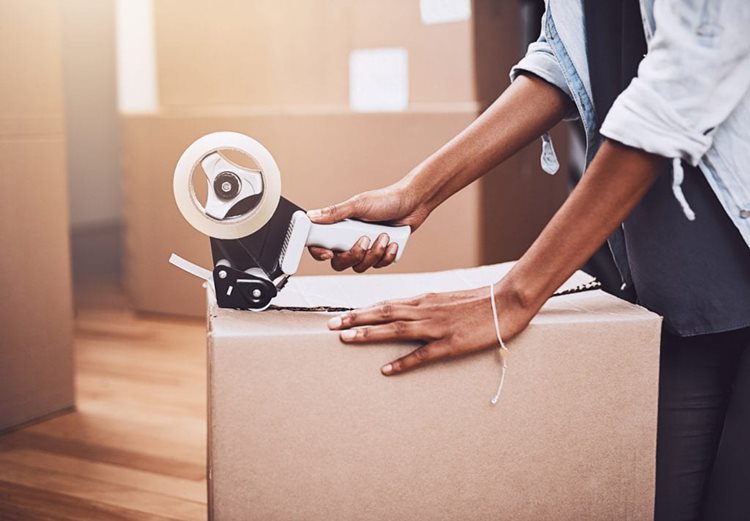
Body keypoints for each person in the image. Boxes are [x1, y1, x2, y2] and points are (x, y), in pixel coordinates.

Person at [307, 1, 750, 519]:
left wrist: (515, 295)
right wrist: (415, 194)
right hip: (678, 282)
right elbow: (563, 57)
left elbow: (686, 76)